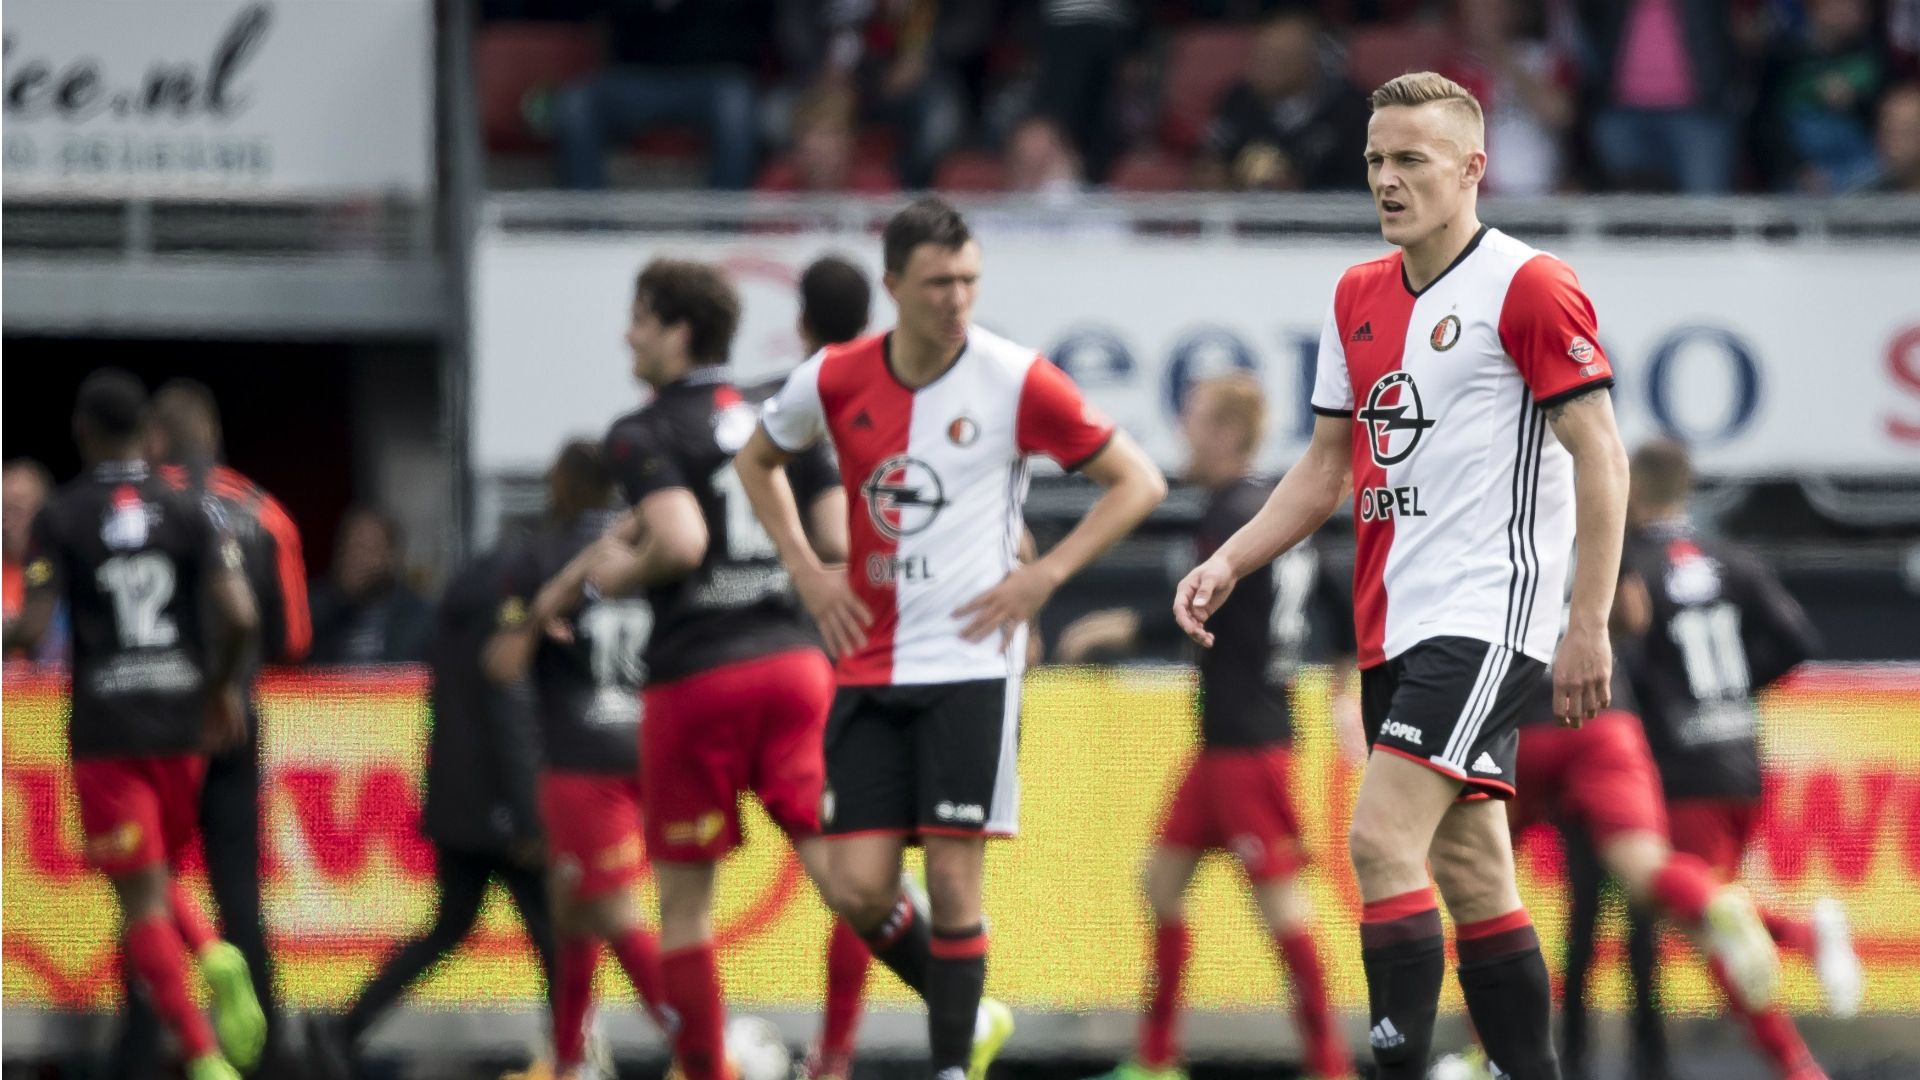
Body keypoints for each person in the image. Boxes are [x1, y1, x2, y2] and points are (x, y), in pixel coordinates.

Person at [1174, 72, 1633, 1080]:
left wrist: (1586, 622)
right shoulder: (1357, 294)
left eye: (1410, 160)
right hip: (1398, 624)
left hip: (1489, 617)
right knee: (1472, 874)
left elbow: (1601, 452)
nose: (1387, 178)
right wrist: (1231, 557)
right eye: (1377, 159)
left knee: (1381, 839)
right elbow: (1326, 468)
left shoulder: (1529, 285)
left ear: (1473, 169)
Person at [736, 197, 1167, 1080]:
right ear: (894, 285)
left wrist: (1044, 577)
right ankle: (970, 1014)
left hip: (972, 664)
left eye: (969, 279)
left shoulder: (1016, 379)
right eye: (938, 283)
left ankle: (950, 1066)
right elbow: (757, 461)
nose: (956, 298)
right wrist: (808, 572)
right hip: (866, 662)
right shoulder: (833, 378)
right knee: (856, 887)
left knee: (955, 880)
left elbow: (1138, 482)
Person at [1078, 373, 1355, 1080]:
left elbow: (1207, 605)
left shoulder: (1235, 513)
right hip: (1231, 741)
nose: (1184, 431)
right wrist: (1345, 690)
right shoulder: (1279, 510)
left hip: (1248, 744)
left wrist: (1121, 625)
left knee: (1282, 908)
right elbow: (1340, 600)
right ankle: (1156, 1059)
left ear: (1228, 432)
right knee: (1161, 886)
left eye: (1196, 419)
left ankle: (1329, 1064)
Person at [3, 369, 264, 1080]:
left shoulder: (61, 517)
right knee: (157, 870)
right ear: (145, 434)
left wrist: (8, 637)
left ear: (82, 432)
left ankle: (205, 1052)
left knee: (139, 896)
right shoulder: (189, 508)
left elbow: (29, 628)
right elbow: (241, 614)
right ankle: (213, 950)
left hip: (109, 729)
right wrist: (219, 688)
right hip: (183, 723)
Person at [1613, 438, 1859, 1077]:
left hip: (1678, 764)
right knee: (1692, 907)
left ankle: (1801, 956)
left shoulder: (1628, 564)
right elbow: (1798, 640)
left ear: (1633, 488)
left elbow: (1625, 665)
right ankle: (1794, 1053)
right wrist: (1731, 693)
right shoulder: (1732, 560)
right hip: (1741, 757)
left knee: (1707, 920)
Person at [110, 379, 310, 1077]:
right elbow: (292, 638)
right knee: (238, 893)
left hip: (151, 727)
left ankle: (139, 1048)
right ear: (215, 435)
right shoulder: (267, 515)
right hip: (235, 722)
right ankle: (263, 1054)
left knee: (143, 884)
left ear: (156, 439)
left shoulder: (130, 508)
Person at [309, 544, 557, 1080]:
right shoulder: (507, 621)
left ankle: (346, 1024)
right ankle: (572, 1058)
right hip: (501, 811)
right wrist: (528, 815)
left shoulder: (453, 615)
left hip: (458, 803)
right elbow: (509, 715)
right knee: (553, 938)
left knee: (449, 928)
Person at [485, 441, 672, 1079]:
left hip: (580, 764)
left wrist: (533, 624)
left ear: (559, 487)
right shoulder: (653, 548)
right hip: (649, 751)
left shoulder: (540, 556)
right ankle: (569, 1062)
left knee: (614, 915)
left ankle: (707, 1047)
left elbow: (502, 665)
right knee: (571, 914)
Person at [1193, 9, 1370, 193]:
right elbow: (1207, 164)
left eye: (1280, 58)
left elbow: (1362, 189)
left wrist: (1299, 190)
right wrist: (1221, 179)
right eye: (1262, 56)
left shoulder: (1352, 109)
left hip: (1330, 218)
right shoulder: (1238, 100)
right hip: (1249, 217)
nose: (1267, 67)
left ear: (1310, 60)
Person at [307, 507, 431, 664]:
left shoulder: (417, 620)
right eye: (347, 548)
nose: (354, 558)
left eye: (365, 549)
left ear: (391, 557)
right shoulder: (315, 613)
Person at [4, 457, 67, 664]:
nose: (6, 521)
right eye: (2, 511)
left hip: (55, 693)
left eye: (18, 510)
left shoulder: (69, 574)